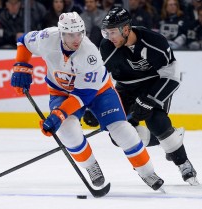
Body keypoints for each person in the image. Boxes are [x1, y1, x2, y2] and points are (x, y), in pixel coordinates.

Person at [10, 11, 165, 191]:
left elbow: (83, 95)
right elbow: (24, 41)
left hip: (98, 91)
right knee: (67, 130)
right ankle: (91, 166)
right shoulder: (47, 37)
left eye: (79, 33)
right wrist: (21, 67)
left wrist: (59, 114)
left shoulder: (89, 53)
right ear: (61, 33)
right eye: (70, 34)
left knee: (122, 131)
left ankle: (147, 172)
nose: (76, 39)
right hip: (61, 92)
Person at [97, 7, 199, 185]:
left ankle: (183, 162)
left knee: (156, 121)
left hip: (154, 85)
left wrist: (149, 100)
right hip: (126, 88)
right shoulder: (107, 47)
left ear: (126, 29)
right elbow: (100, 78)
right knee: (118, 134)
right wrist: (95, 105)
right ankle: (167, 138)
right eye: (106, 32)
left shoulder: (154, 42)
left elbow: (172, 77)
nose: (109, 37)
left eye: (112, 32)